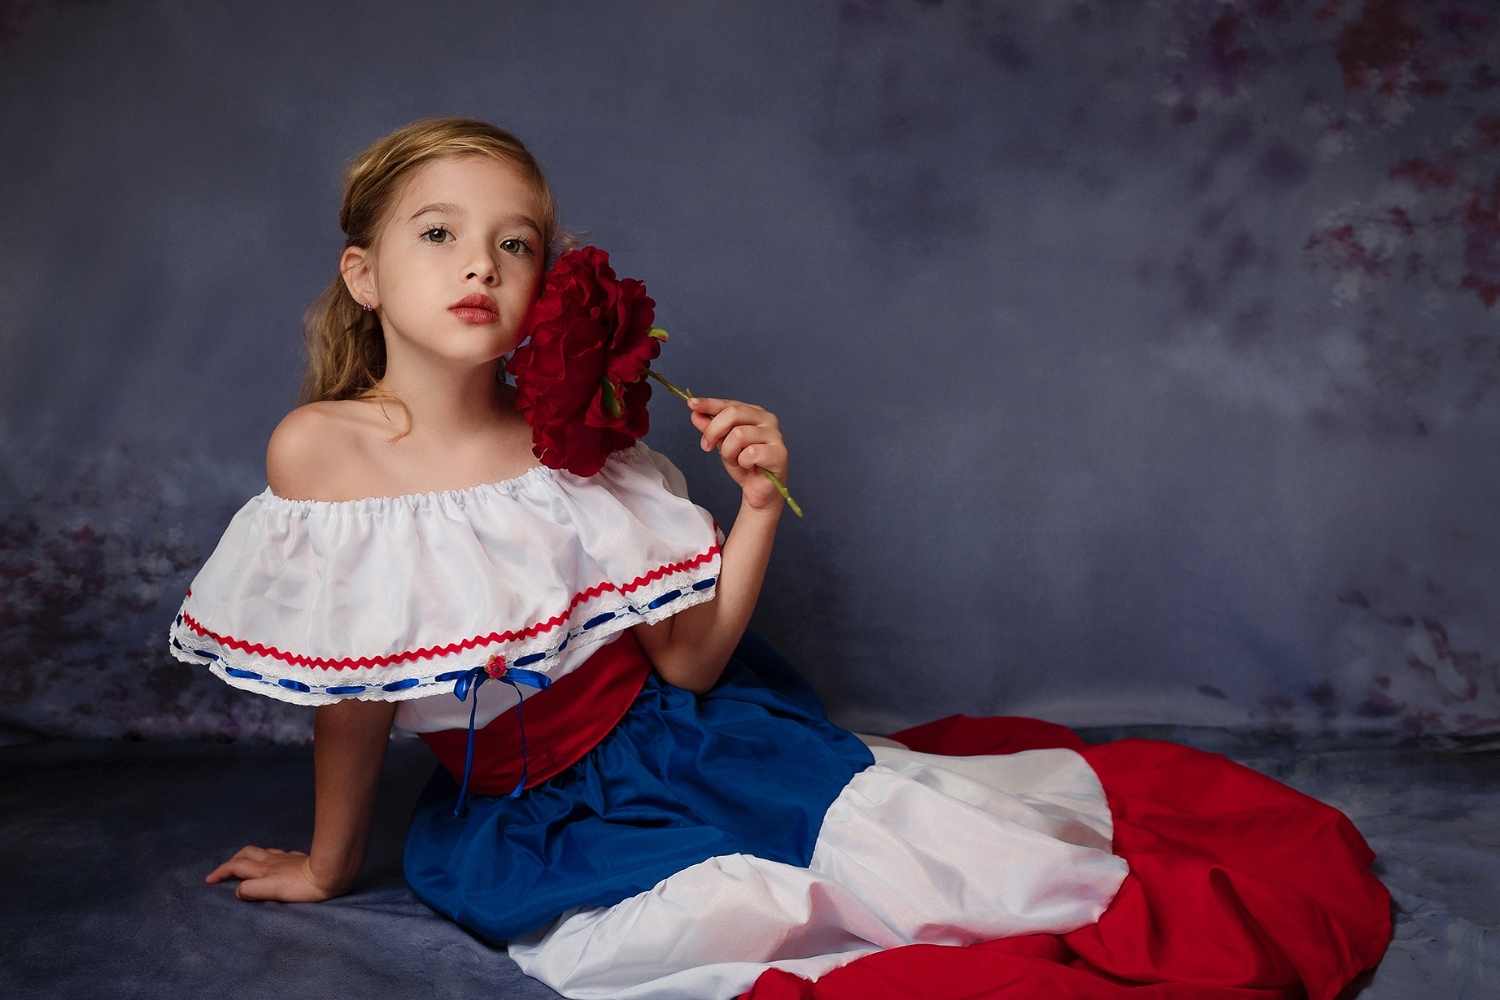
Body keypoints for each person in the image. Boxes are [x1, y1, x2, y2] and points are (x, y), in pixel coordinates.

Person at [172, 116, 1392, 1000]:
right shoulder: (320, 455)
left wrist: (754, 503)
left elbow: (690, 667)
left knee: (982, 889)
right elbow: (350, 693)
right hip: (519, 818)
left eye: (518, 242)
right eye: (438, 234)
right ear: (365, 273)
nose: (481, 264)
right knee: (707, 941)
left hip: (687, 743)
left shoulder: (568, 440)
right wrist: (333, 866)